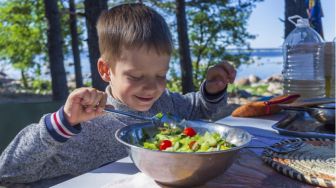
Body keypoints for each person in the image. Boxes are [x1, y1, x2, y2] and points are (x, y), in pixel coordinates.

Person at [0, 3, 236, 184]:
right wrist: (63, 123)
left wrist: (211, 91)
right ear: (105, 70)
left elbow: (200, 111)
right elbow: (9, 170)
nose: (152, 88)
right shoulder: (84, 126)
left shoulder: (165, 105)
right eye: (135, 77)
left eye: (161, 75)